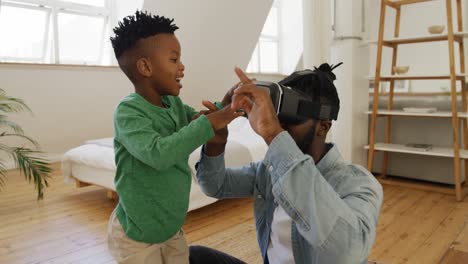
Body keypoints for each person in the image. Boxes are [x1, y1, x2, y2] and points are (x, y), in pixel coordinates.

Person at [190, 65, 383, 264]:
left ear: (323, 126)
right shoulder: (268, 171)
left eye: (290, 120)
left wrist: (273, 133)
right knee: (193, 256)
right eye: (276, 118)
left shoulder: (358, 184)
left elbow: (347, 254)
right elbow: (214, 185)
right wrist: (217, 142)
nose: (280, 127)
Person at [107, 11, 242, 264]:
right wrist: (215, 120)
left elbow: (197, 121)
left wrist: (223, 106)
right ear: (146, 67)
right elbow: (159, 154)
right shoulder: (129, 112)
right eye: (174, 59)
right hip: (137, 236)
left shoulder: (173, 104)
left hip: (171, 229)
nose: (182, 66)